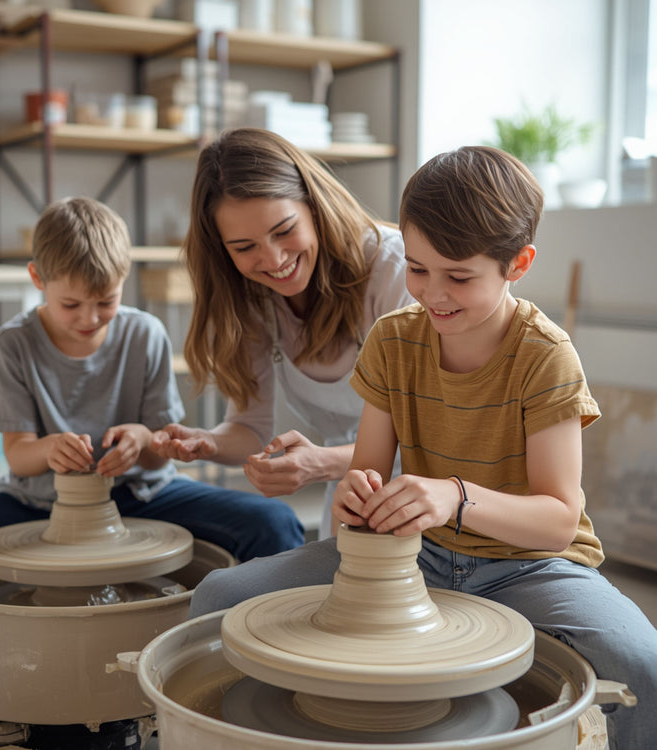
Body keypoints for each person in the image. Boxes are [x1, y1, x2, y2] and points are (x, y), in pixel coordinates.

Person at [188, 146, 657, 748]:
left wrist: (454, 497)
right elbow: (365, 478)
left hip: (531, 567)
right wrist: (358, 500)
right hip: (414, 557)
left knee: (642, 661)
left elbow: (557, 523)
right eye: (417, 269)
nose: (433, 294)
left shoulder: (545, 354)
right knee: (217, 597)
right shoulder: (392, 340)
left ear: (518, 263)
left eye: (458, 276)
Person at [0, 197, 303, 562]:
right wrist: (51, 449)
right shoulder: (12, 344)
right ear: (38, 279)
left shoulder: (144, 334)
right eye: (71, 305)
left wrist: (142, 439)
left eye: (106, 301)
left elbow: (156, 453)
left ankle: (261, 631)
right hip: (36, 501)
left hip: (140, 493)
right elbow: (18, 454)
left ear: (123, 279)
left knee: (273, 523)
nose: (90, 318)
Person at [152, 128, 413, 536]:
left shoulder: (394, 270)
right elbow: (251, 429)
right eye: (244, 247)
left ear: (314, 206)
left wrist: (321, 462)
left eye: (284, 230)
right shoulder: (253, 298)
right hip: (351, 495)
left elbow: (430, 433)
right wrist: (210, 442)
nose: (273, 260)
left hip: (430, 493)